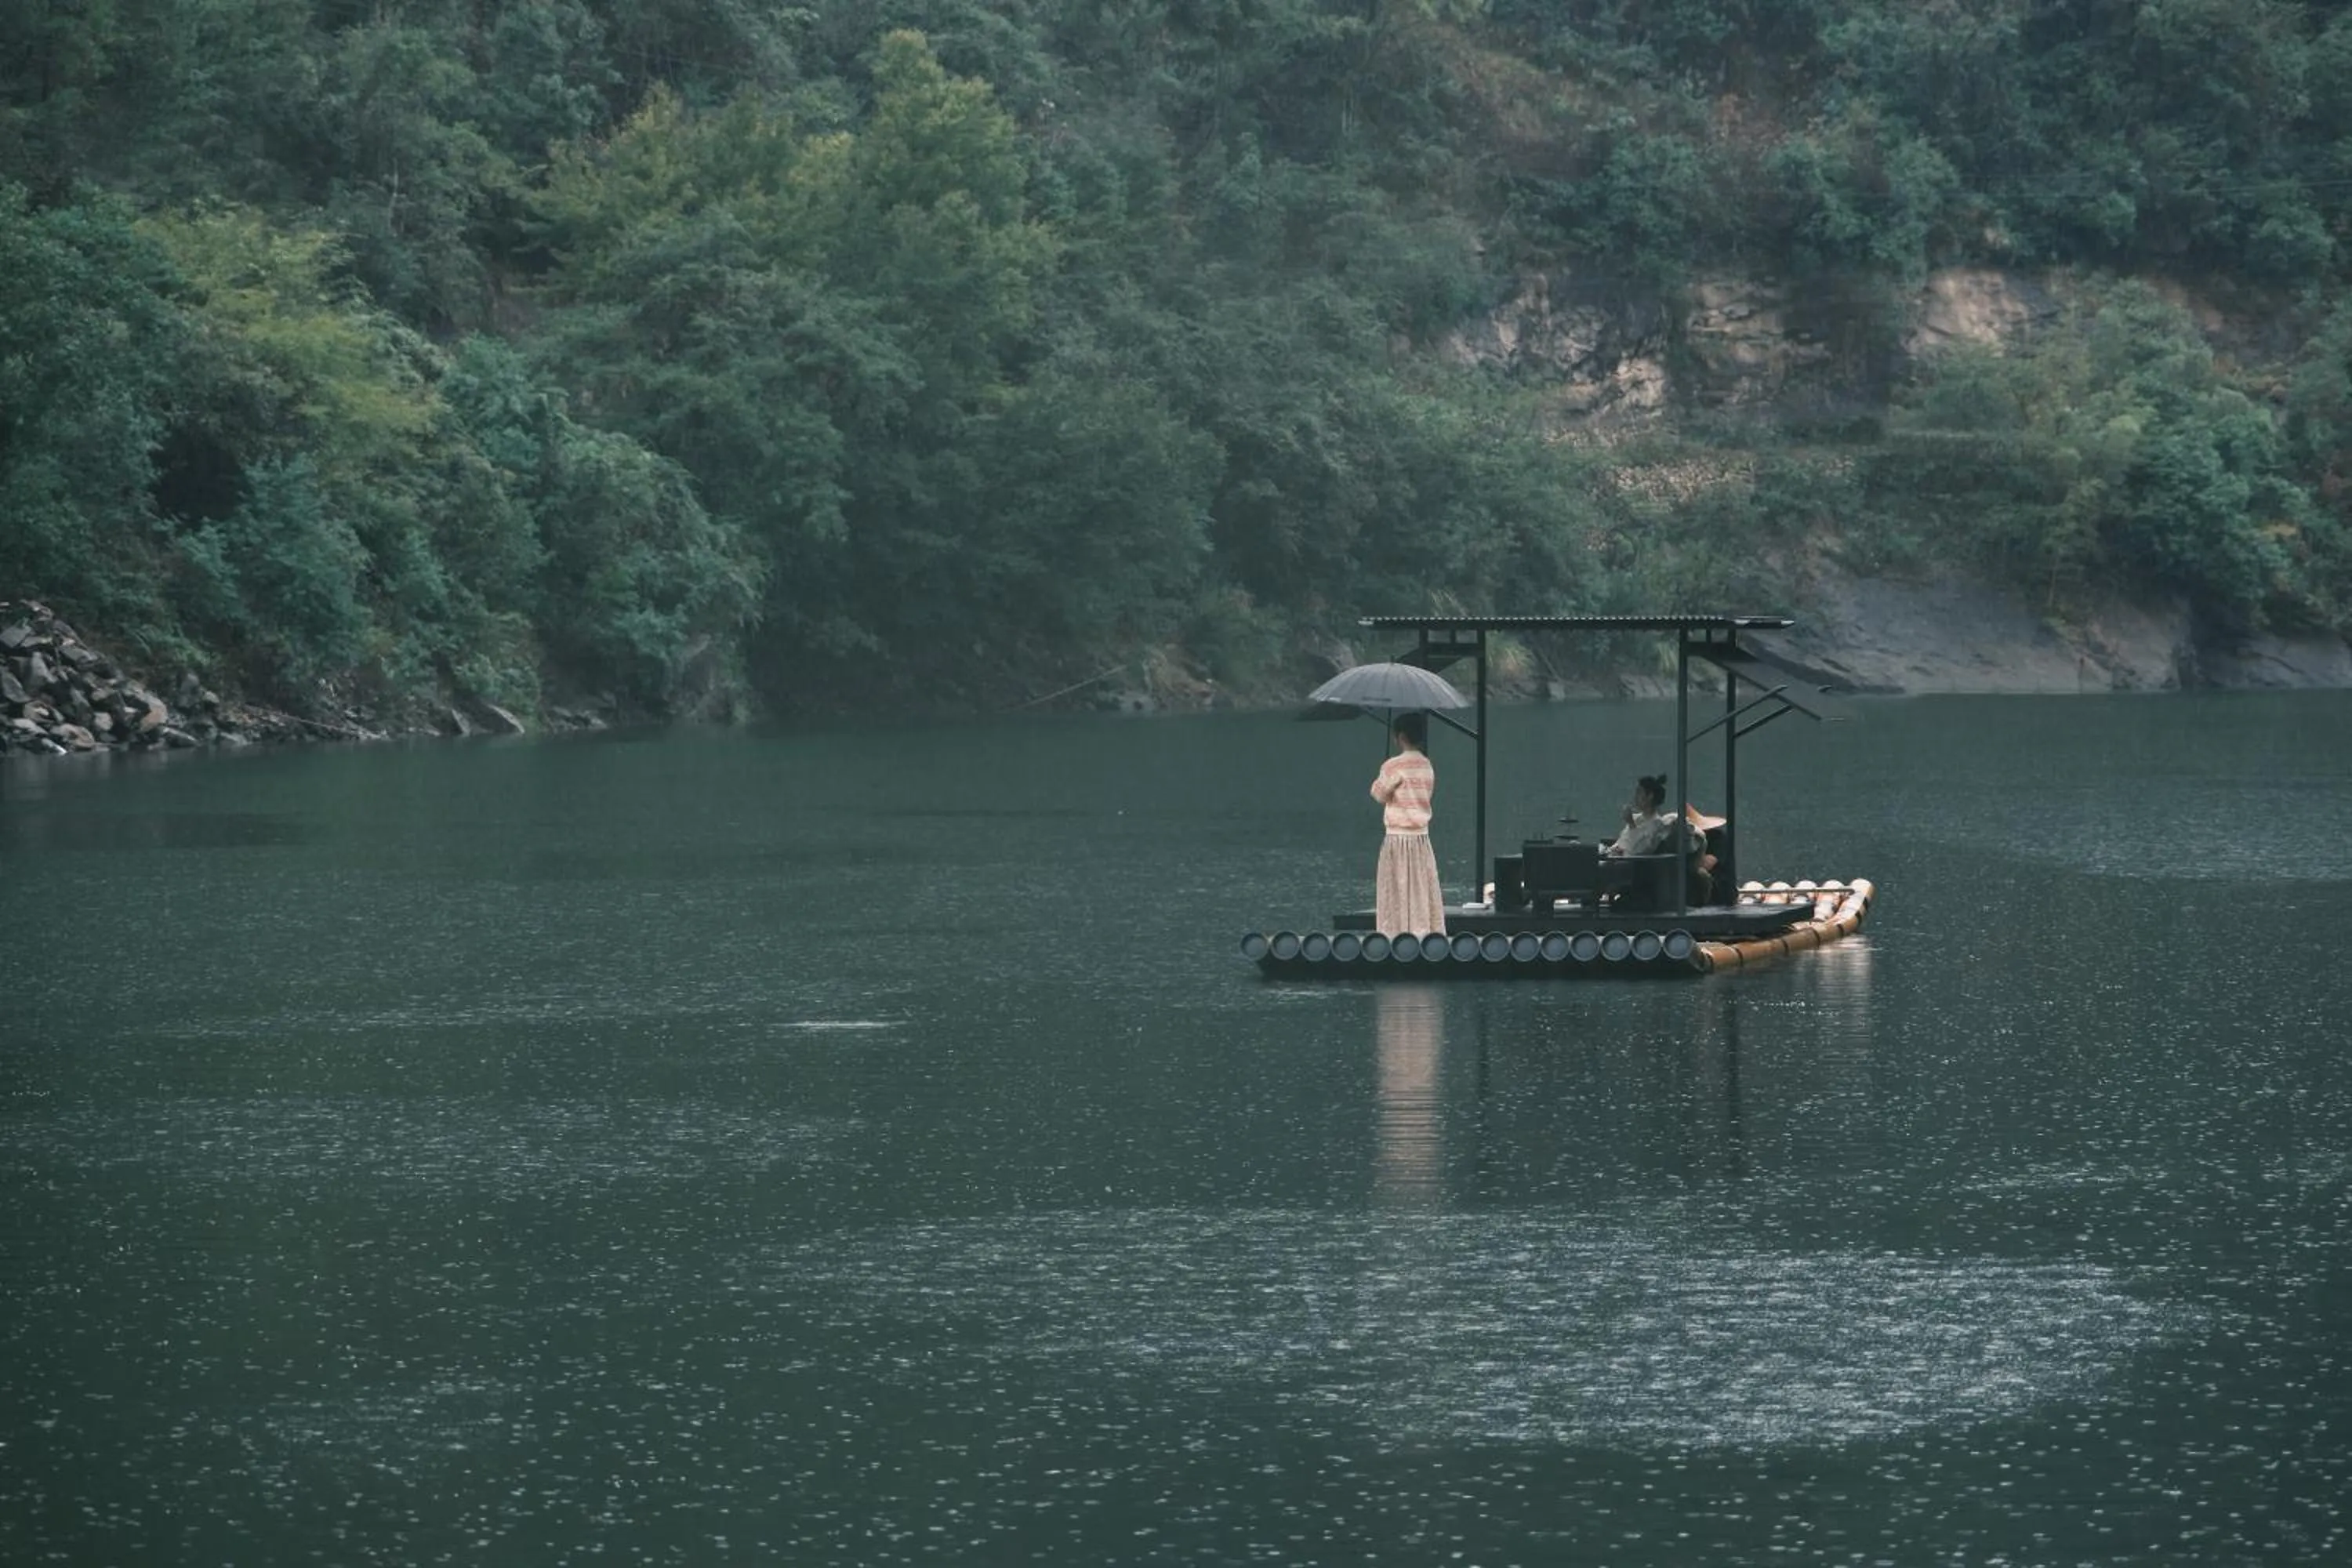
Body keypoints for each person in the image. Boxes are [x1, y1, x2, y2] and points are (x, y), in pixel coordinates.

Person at [1370, 711, 1446, 938]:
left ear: (1400, 737)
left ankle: (1395, 933)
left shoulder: (1393, 766)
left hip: (1398, 836)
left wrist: (1381, 777)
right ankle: (1425, 931)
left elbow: (1379, 795)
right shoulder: (1426, 764)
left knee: (1396, 887)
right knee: (1420, 886)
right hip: (1421, 837)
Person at [1602, 774, 1676, 858]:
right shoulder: (1636, 818)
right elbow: (1622, 842)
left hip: (1630, 865)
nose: (1636, 797)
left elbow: (1640, 849)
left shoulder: (1657, 825)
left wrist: (1631, 824)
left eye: (1639, 793)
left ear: (1650, 796)